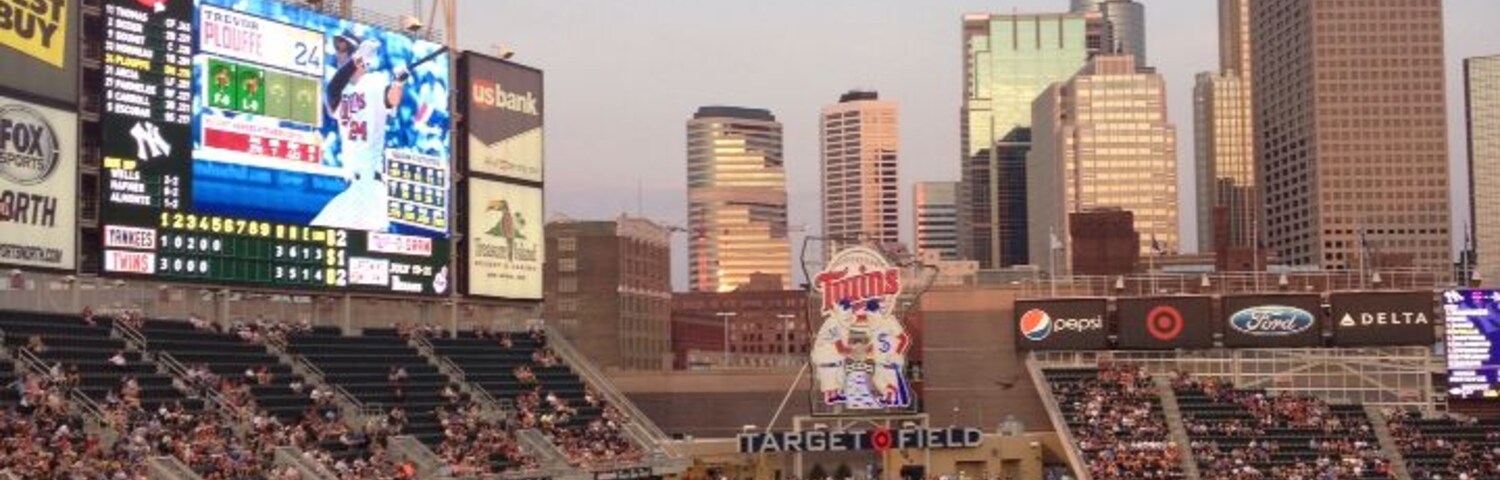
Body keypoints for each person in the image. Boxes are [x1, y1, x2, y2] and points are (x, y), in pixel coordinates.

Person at [313, 35, 409, 231]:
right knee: (315, 239)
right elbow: (331, 92)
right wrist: (356, 59)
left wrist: (399, 82)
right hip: (353, 189)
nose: (342, 58)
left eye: (347, 53)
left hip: (369, 186)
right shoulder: (341, 90)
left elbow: (391, 99)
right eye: (341, 54)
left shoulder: (375, 81)